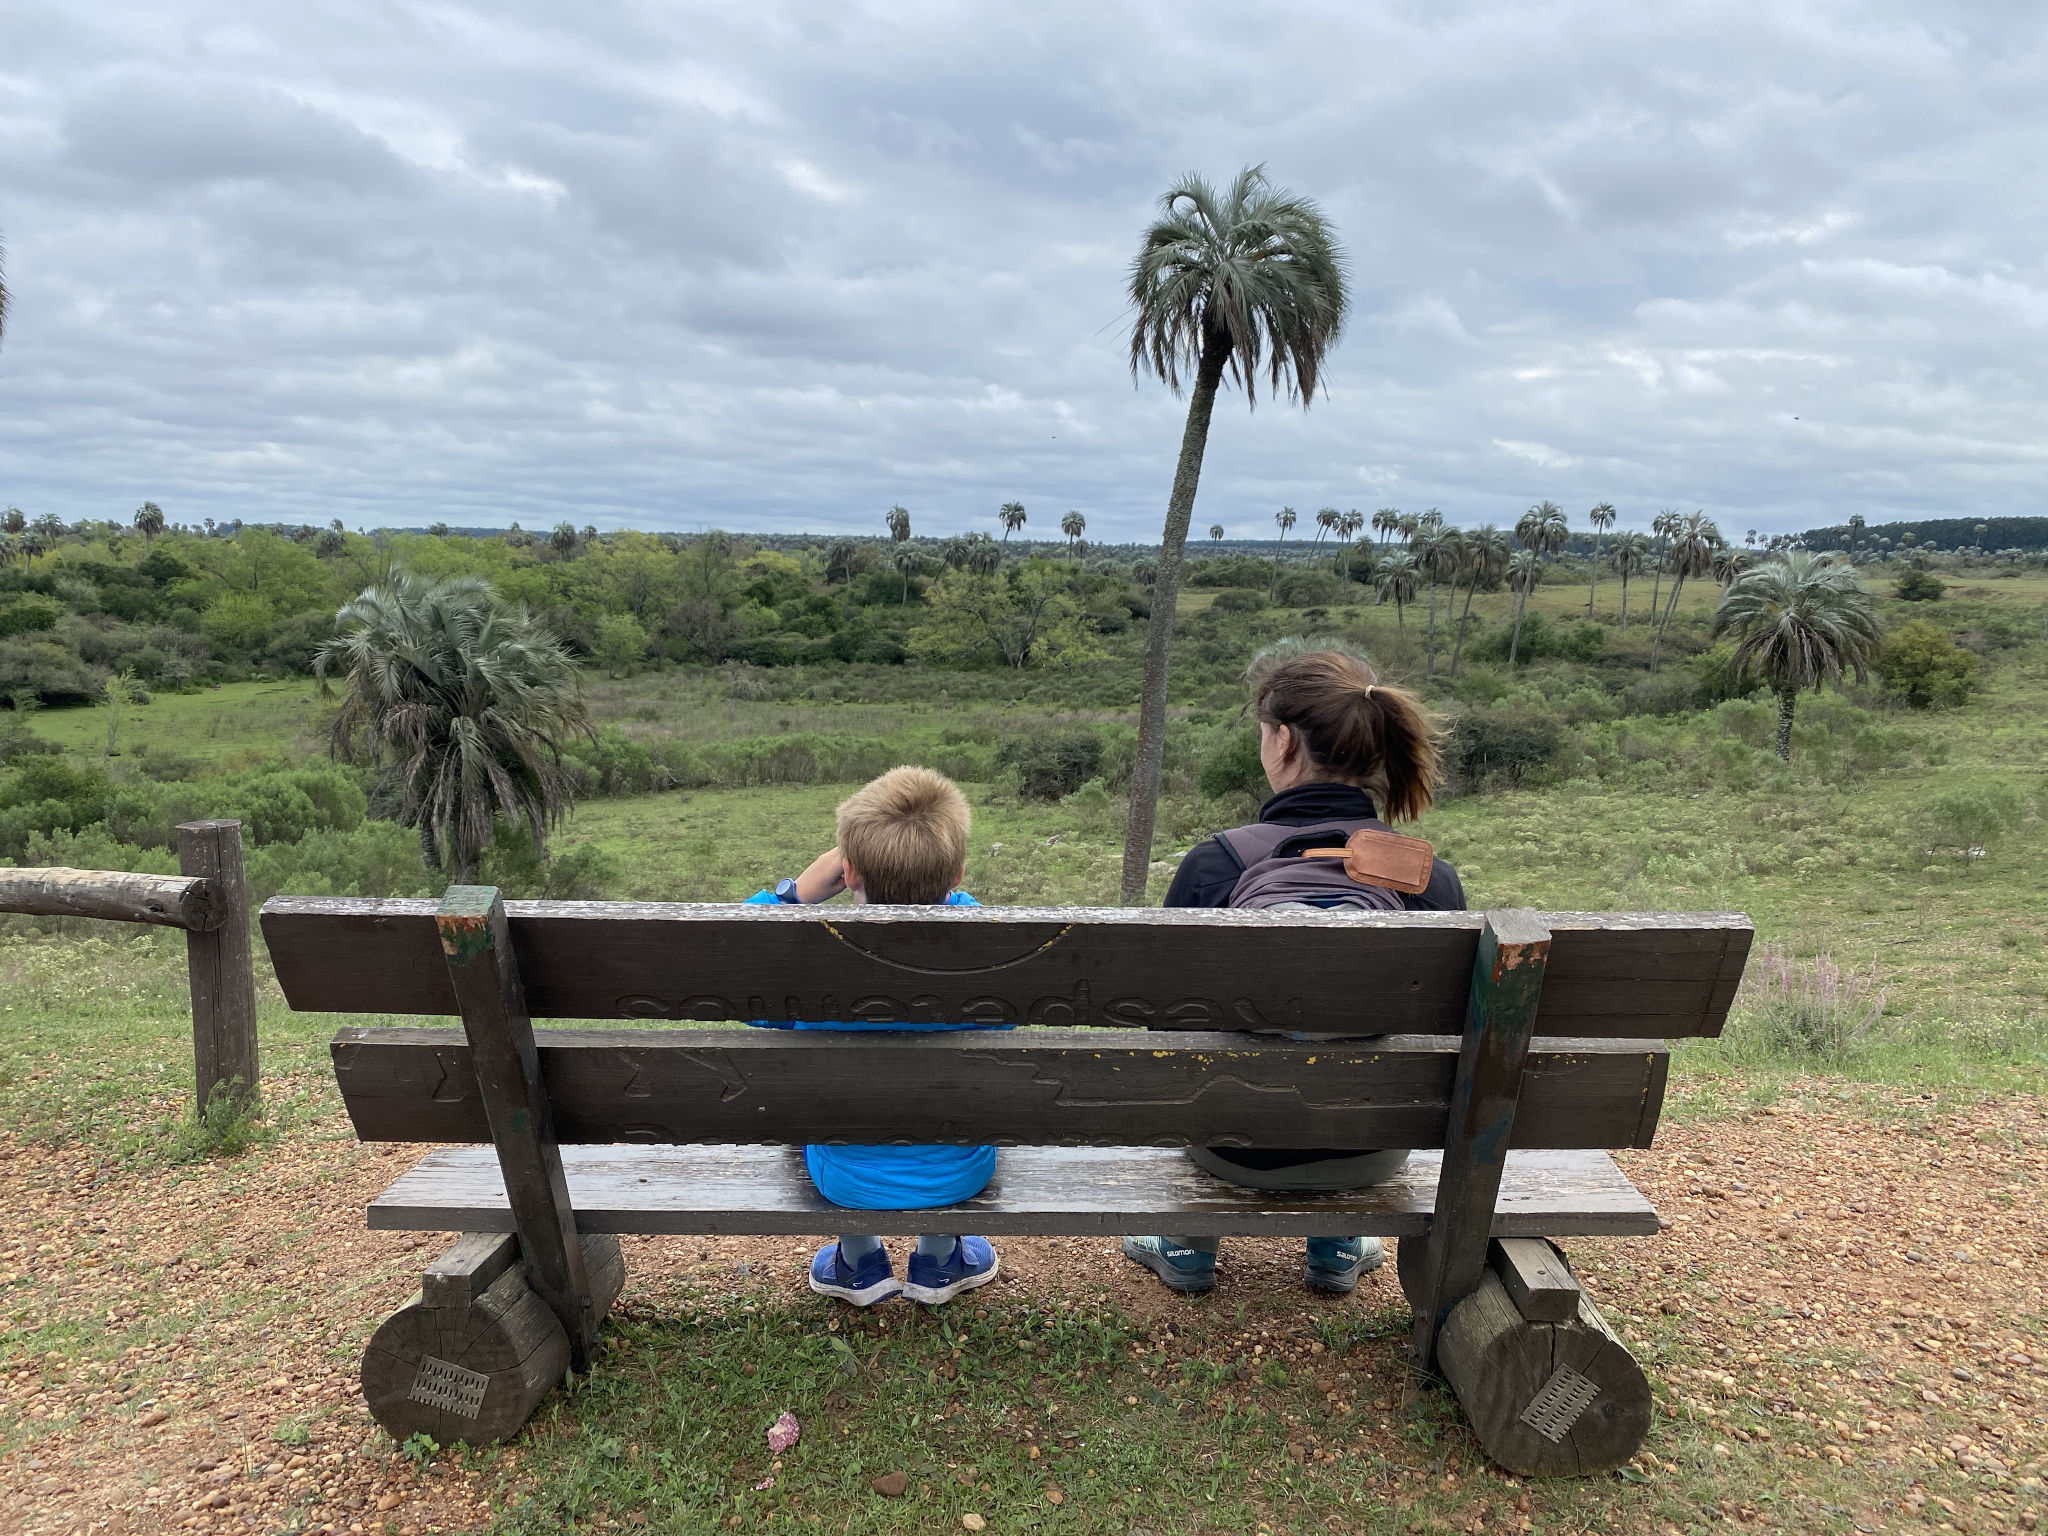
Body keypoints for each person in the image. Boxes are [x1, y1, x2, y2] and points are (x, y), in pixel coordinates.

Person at [1122, 645, 1466, 1296]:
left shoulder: (1213, 868)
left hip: (1230, 1148)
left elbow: (1156, 1022)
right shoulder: (1429, 880)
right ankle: (1337, 1250)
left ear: (1282, 742)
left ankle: (1187, 1249)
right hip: (1374, 1147)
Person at [745, 766, 1001, 1308]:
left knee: (821, 1108)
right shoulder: (992, 949)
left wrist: (792, 896)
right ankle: (940, 1260)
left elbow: (724, 966)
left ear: (848, 872)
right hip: (960, 1170)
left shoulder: (808, 955)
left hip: (845, 1177)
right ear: (958, 873)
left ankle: (859, 1263)